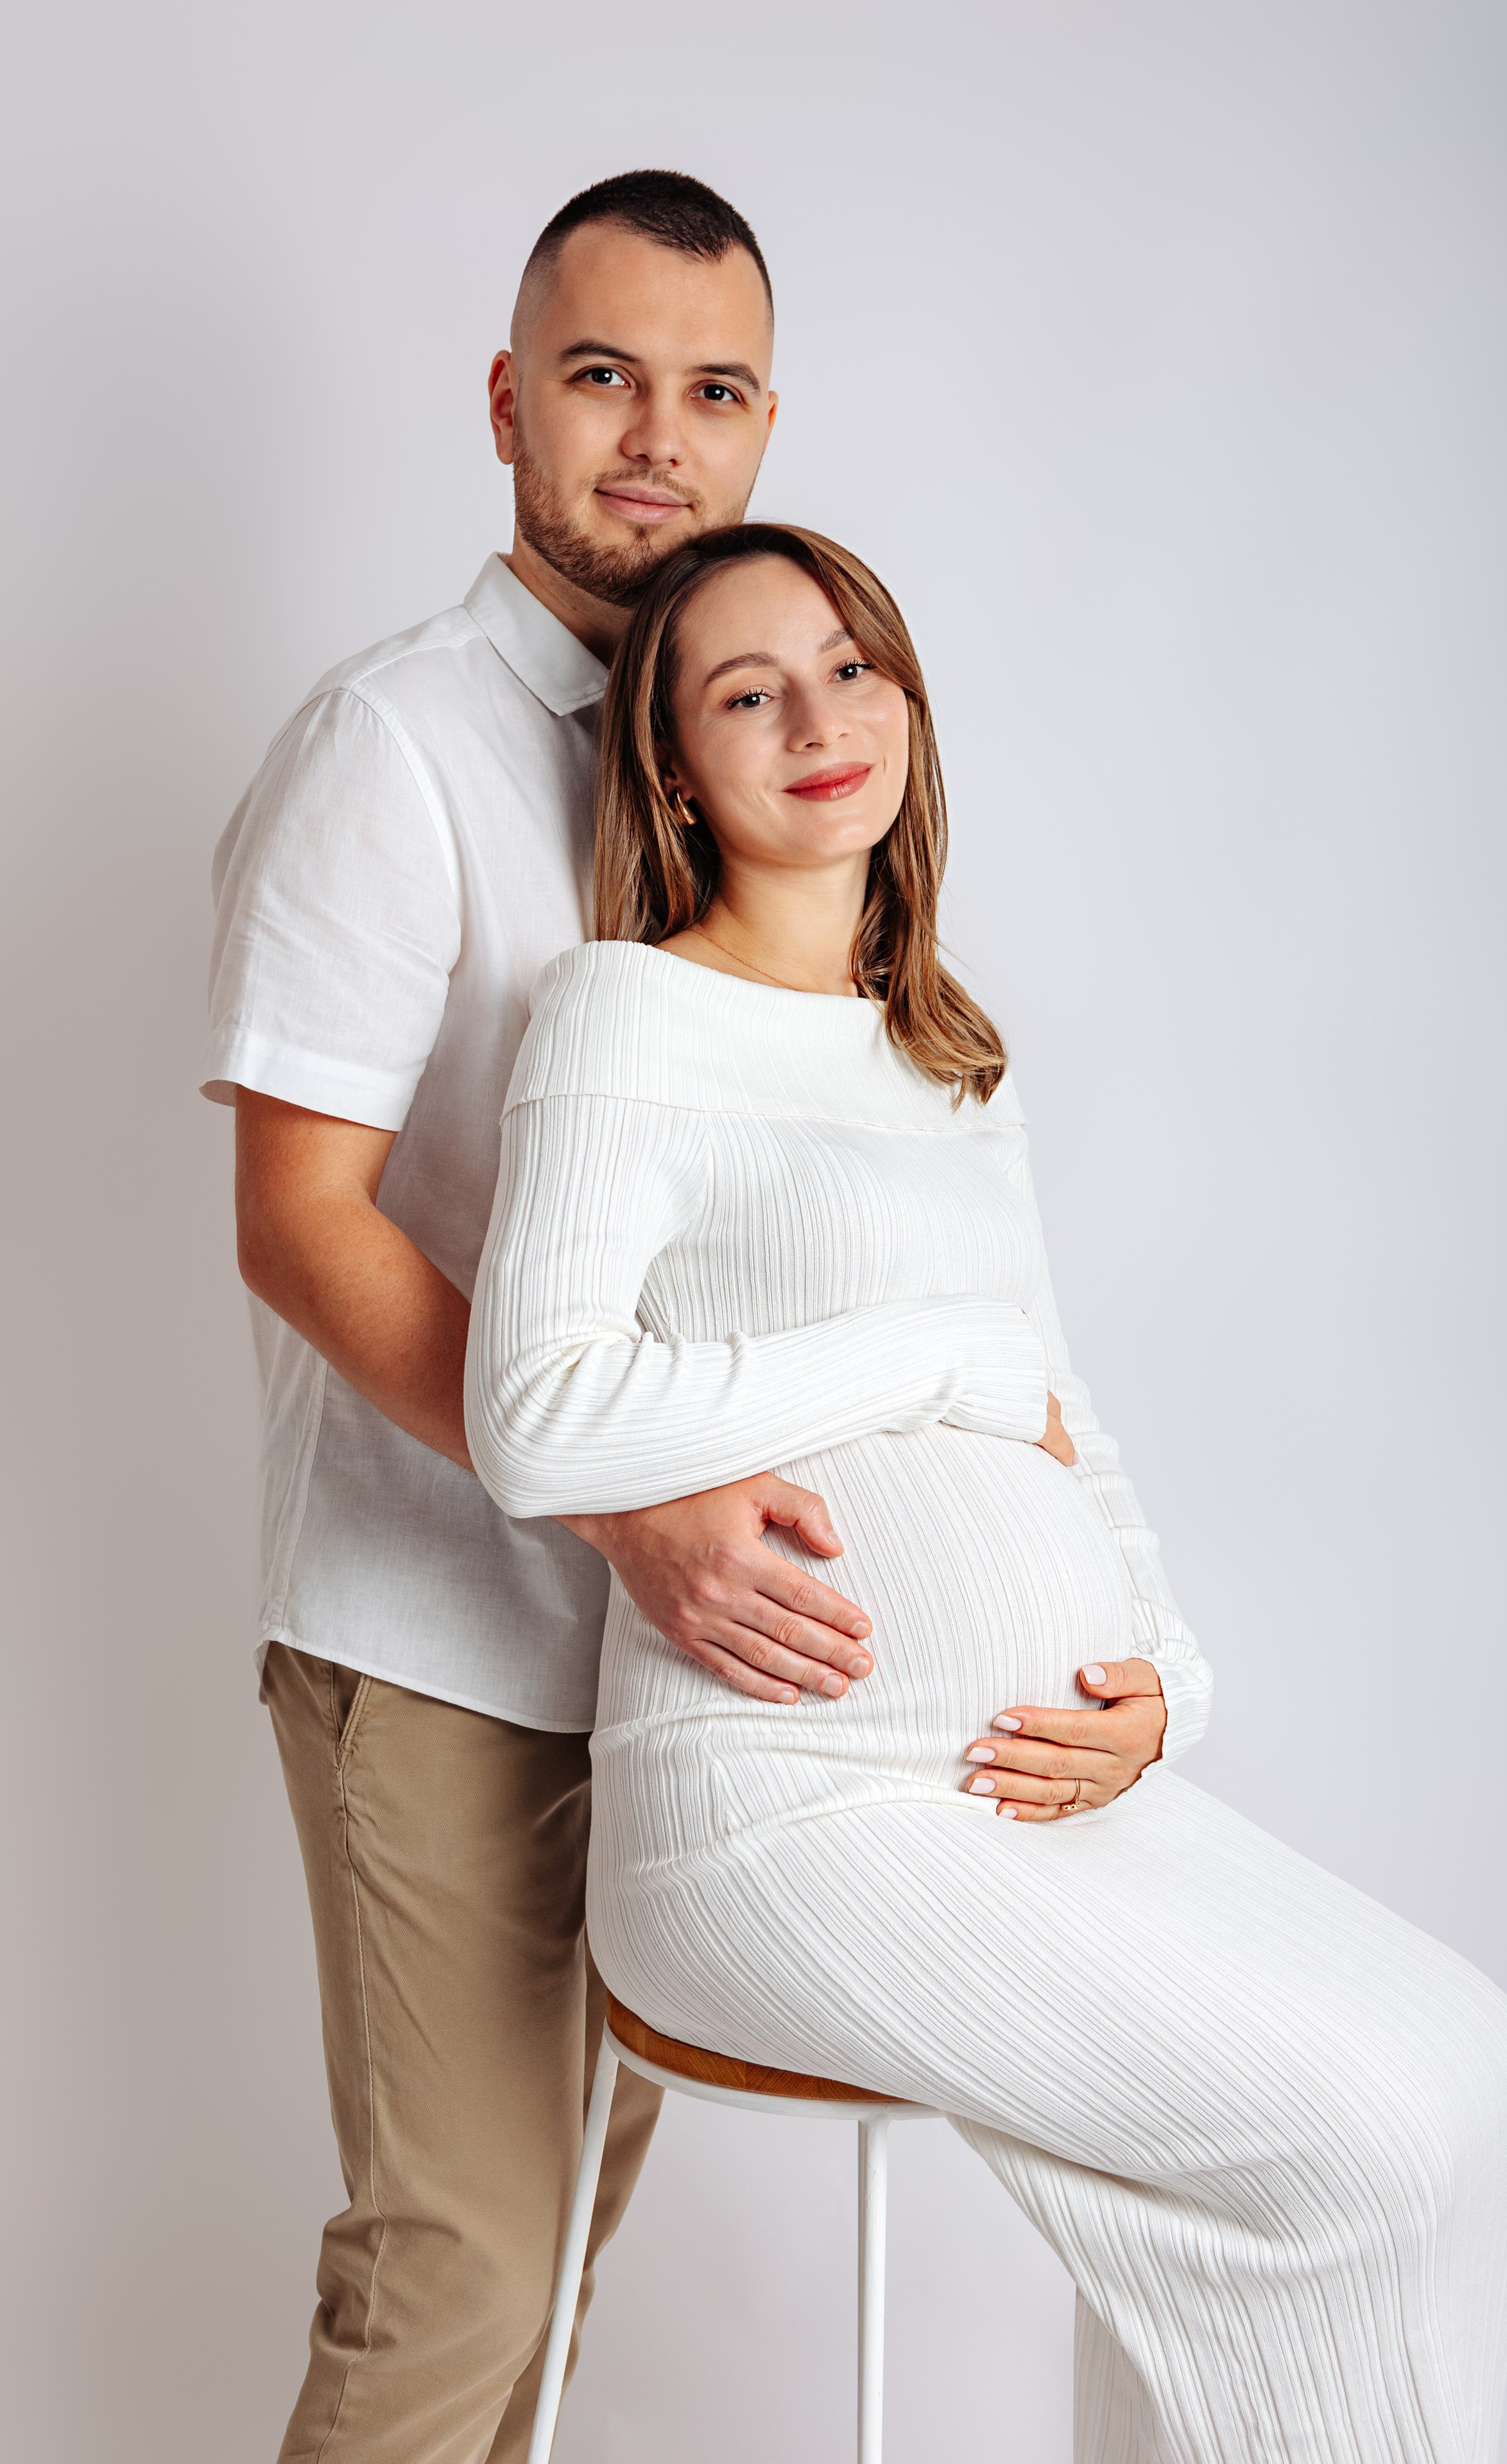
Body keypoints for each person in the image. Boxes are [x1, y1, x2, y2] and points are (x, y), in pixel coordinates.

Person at [466, 522, 1507, 2463]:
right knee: (1362, 2148)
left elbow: (1070, 1420)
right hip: (777, 1810)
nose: (819, 717)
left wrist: (1164, 1688)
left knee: (1479, 2073)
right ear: (671, 768)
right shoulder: (626, 1018)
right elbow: (537, 1411)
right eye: (746, 690)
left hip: (1023, 1783)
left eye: (852, 665)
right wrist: (927, 1362)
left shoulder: (946, 1055)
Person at [205, 171, 893, 2464]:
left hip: (651, 1658)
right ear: (510, 403)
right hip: (430, 1623)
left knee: (560, 2255)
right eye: (602, 377)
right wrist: (634, 1514)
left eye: (710, 393)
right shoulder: (391, 746)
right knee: (462, 2265)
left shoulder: (721, 754)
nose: (653, 440)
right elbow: (300, 1223)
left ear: (764, 430)